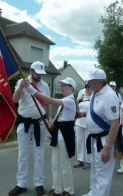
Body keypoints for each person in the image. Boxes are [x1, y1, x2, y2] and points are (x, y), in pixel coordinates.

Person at [25, 77, 77, 196]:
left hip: (65, 135)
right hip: (58, 135)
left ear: (72, 88)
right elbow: (58, 116)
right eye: (61, 84)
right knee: (55, 164)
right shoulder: (65, 100)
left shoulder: (69, 100)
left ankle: (69, 190)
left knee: (64, 165)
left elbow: (50, 101)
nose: (62, 86)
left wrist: (33, 91)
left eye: (65, 85)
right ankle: (57, 189)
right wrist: (50, 124)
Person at [8, 61, 52, 196]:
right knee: (23, 154)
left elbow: (48, 103)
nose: (40, 76)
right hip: (24, 123)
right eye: (37, 74)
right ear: (30, 71)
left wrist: (49, 119)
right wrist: (21, 87)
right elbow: (14, 100)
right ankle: (21, 184)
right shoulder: (21, 82)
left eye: (41, 74)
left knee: (39, 155)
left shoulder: (44, 86)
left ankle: (38, 183)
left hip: (40, 123)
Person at [76, 69, 120, 196]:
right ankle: (93, 192)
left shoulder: (109, 96)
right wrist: (83, 114)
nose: (87, 83)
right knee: (95, 170)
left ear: (99, 82)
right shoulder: (97, 93)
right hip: (95, 138)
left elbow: (115, 124)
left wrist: (107, 147)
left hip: (104, 140)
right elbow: (98, 112)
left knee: (103, 173)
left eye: (90, 81)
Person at [74, 83, 92, 169]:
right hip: (79, 122)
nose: (87, 88)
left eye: (89, 87)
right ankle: (80, 160)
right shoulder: (81, 93)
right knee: (79, 142)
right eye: (86, 87)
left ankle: (88, 161)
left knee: (88, 142)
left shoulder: (95, 96)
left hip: (89, 123)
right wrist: (77, 100)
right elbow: (77, 108)